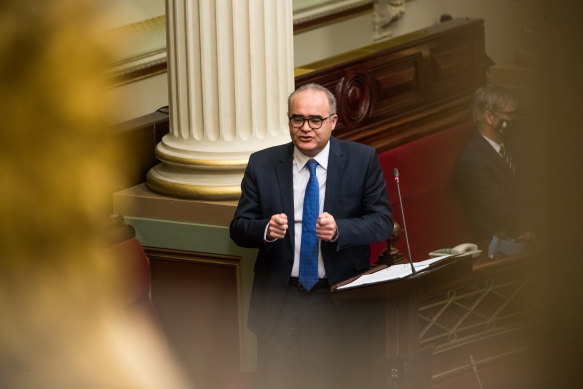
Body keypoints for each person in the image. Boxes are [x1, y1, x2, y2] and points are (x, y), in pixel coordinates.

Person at [230, 83, 393, 388]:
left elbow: (382, 223)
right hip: (280, 301)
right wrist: (266, 229)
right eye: (297, 119)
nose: (306, 128)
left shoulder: (361, 160)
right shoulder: (263, 164)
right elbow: (239, 227)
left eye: (315, 120)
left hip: (334, 299)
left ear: (333, 121)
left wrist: (340, 230)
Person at [454, 84, 535, 246]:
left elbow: (529, 188)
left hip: (526, 229)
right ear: (489, 117)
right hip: (502, 241)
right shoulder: (473, 162)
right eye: (510, 114)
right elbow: (503, 212)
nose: (514, 119)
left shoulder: (507, 148)